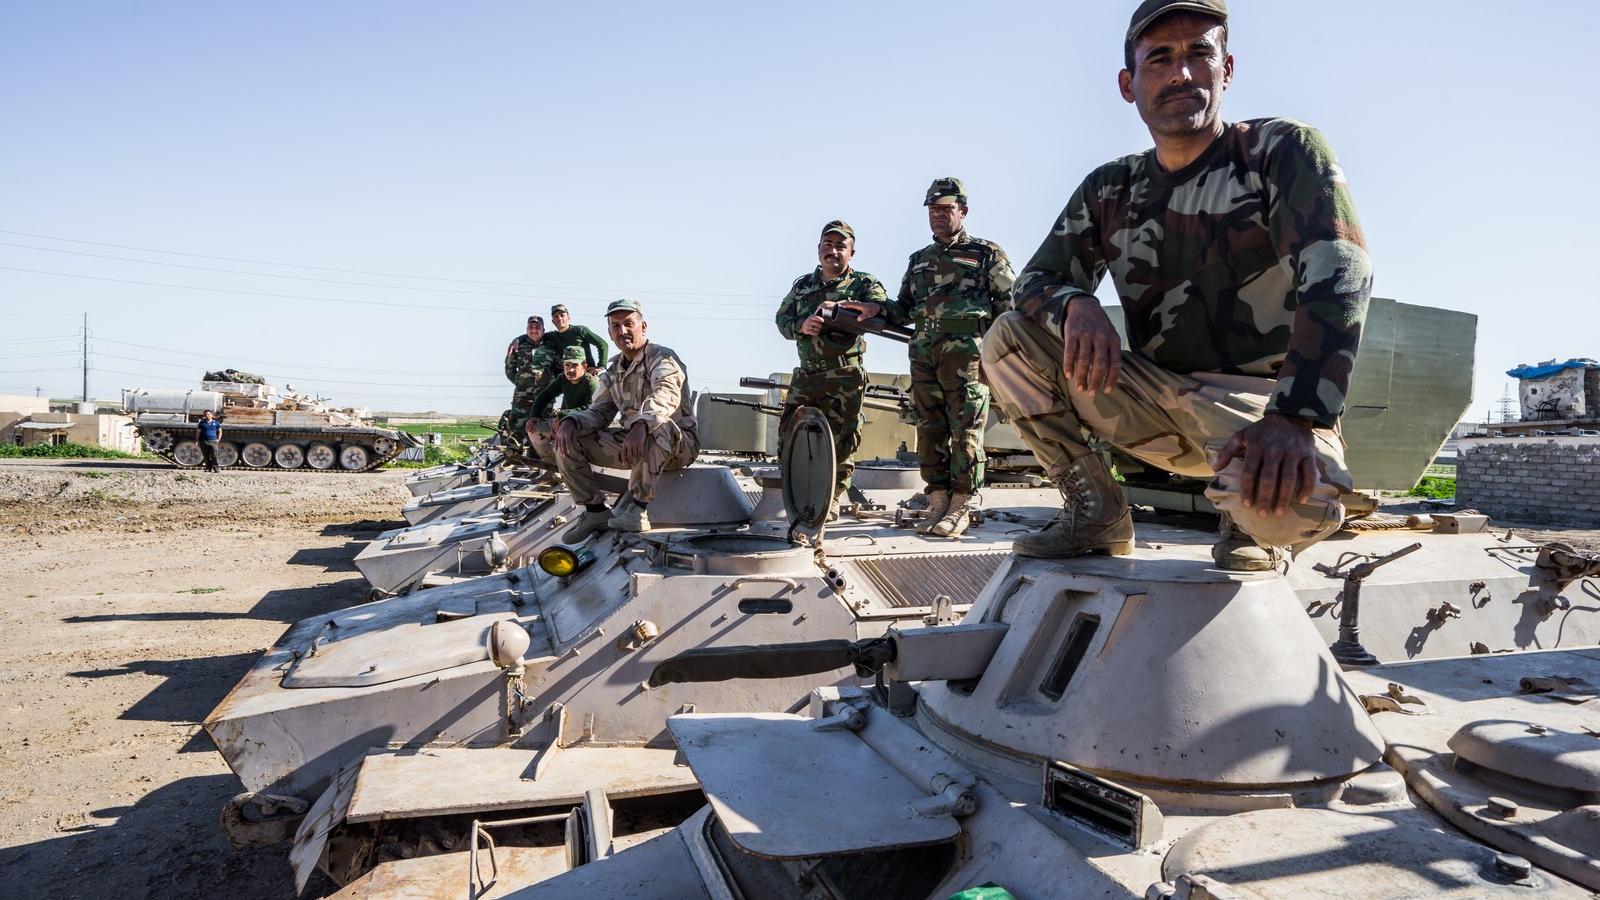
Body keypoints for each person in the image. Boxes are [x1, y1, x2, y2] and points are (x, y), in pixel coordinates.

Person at [980, 0, 1371, 571]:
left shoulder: (1280, 152)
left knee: (1296, 505)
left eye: (1199, 54)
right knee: (1008, 339)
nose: (1181, 74)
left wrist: (1296, 416)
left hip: (1261, 409)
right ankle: (1096, 512)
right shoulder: (1110, 188)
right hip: (1152, 400)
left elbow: (1340, 274)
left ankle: (1248, 524)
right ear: (1128, 84)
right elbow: (1036, 280)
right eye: (1159, 59)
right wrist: (1076, 305)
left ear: (1227, 69)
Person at [842, 178, 1015, 537]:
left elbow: (1008, 306)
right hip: (923, 353)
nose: (937, 215)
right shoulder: (919, 260)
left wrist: (1001, 355)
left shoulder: (986, 254)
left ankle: (962, 502)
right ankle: (937, 498)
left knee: (965, 428)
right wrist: (877, 307)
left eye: (945, 209)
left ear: (962, 212)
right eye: (933, 210)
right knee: (929, 428)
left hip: (966, 353)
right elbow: (904, 308)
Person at [554, 299, 699, 539]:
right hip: (634, 443)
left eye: (628, 324)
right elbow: (599, 411)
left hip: (677, 444)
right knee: (566, 437)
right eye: (615, 326)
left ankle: (638, 511)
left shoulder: (662, 358)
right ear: (610, 333)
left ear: (643, 327)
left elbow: (666, 394)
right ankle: (596, 511)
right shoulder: (613, 371)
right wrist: (572, 421)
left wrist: (643, 423)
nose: (622, 331)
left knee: (659, 424)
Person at [774, 220, 888, 517]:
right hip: (808, 372)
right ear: (819, 249)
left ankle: (834, 496)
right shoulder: (802, 286)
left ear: (851, 252)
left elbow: (881, 306)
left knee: (843, 438)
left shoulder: (864, 283)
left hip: (844, 373)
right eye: (828, 245)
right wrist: (801, 325)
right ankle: (797, 495)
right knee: (790, 434)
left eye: (841, 246)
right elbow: (781, 320)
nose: (833, 251)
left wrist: (867, 309)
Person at [525, 345, 603, 464]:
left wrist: (562, 415)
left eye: (575, 365)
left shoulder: (591, 383)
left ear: (584, 366)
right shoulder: (563, 380)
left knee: (564, 432)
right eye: (567, 365)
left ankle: (571, 469)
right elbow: (544, 396)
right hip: (567, 422)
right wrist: (534, 415)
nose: (570, 370)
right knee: (534, 428)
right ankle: (553, 468)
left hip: (587, 426)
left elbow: (591, 408)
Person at [501, 315, 556, 457]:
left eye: (537, 327)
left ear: (543, 330)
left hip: (544, 398)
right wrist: (521, 384)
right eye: (531, 327)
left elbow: (559, 370)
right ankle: (514, 458)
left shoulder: (551, 347)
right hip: (522, 397)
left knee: (542, 430)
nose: (534, 330)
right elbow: (509, 370)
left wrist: (550, 386)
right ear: (526, 330)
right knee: (516, 428)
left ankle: (540, 461)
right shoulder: (518, 347)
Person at [544, 303, 609, 371]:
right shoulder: (551, 336)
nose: (559, 318)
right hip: (567, 374)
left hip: (586, 373)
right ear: (553, 321)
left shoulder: (579, 330)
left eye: (562, 315)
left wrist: (601, 366)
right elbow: (536, 337)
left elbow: (602, 344)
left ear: (568, 318)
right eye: (556, 316)